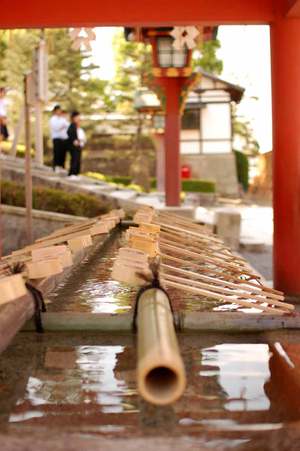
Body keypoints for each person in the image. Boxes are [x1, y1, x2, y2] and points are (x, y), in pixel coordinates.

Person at [49, 105, 68, 172]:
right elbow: (56, 128)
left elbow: (67, 126)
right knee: (57, 152)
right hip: (56, 137)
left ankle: (62, 166)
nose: (59, 112)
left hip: (64, 138)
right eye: (58, 110)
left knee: (63, 153)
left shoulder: (63, 119)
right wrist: (61, 126)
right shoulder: (53, 119)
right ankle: (56, 166)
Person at [67, 111, 86, 179]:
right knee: (74, 159)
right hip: (74, 146)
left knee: (78, 160)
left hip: (78, 145)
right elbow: (70, 133)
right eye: (77, 117)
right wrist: (74, 140)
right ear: (74, 117)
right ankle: (72, 173)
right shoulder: (72, 125)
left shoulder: (78, 127)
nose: (79, 118)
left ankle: (76, 173)